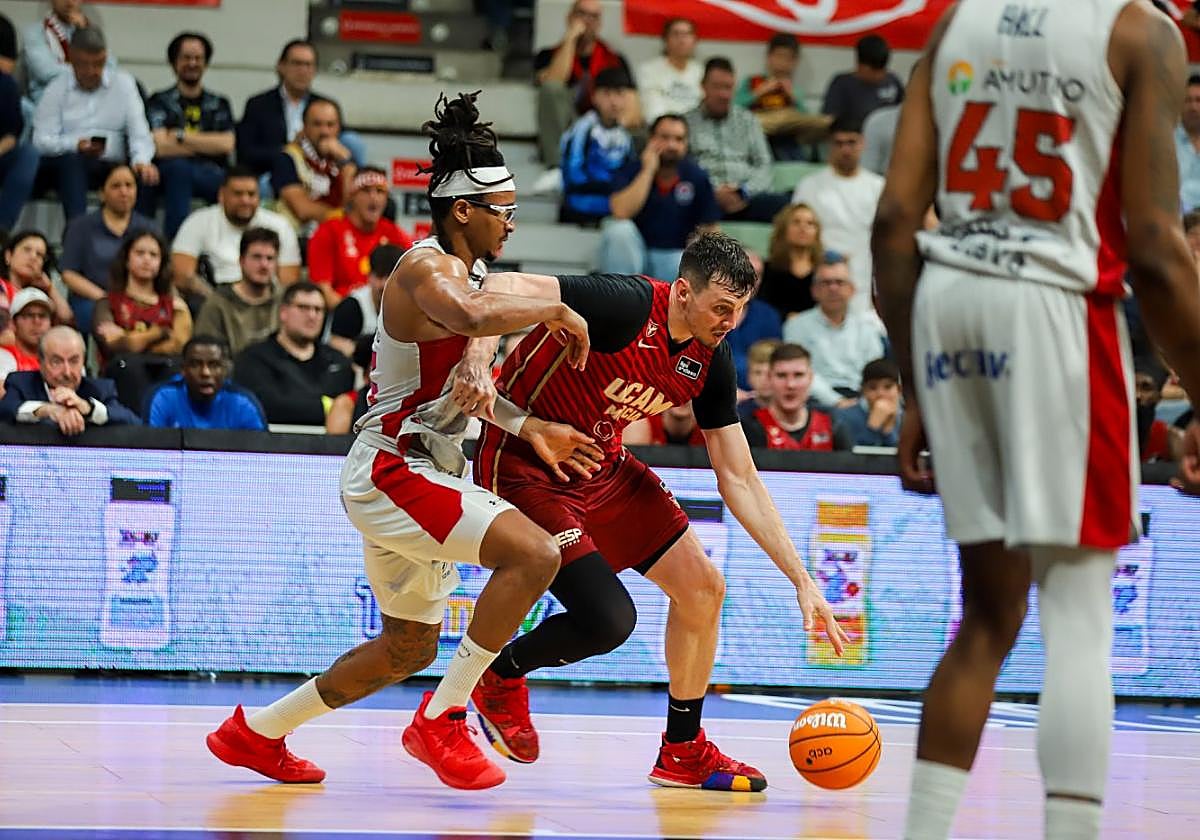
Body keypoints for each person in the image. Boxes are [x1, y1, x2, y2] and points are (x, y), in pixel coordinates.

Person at [206, 91, 602, 791]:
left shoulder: (470, 272)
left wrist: (527, 423)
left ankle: (255, 734)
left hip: (416, 472)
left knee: (407, 645)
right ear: (462, 212)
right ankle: (444, 717)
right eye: (502, 209)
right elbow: (475, 311)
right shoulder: (424, 268)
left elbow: (460, 378)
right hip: (394, 472)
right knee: (535, 555)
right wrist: (556, 306)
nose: (511, 221)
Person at [870, 3, 1200, 839]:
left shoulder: (955, 24)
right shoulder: (1140, 31)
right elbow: (1157, 246)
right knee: (1079, 611)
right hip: (1054, 303)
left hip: (949, 300)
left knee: (988, 613)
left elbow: (893, 224)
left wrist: (915, 389)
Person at [466, 232, 848, 791]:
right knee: (609, 621)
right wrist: (480, 357)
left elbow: (738, 475)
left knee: (703, 588)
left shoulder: (710, 357)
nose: (731, 322)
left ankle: (682, 750)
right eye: (722, 307)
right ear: (684, 293)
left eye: (741, 309)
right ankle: (498, 676)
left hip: (603, 465)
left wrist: (801, 579)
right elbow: (500, 285)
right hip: (527, 462)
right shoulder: (625, 304)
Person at [32, 27, 157, 222]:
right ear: (70, 60)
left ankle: (140, 241)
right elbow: (41, 140)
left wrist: (142, 161)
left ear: (106, 57)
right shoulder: (56, 89)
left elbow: (139, 133)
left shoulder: (123, 84)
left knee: (146, 174)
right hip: (70, 164)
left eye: (98, 64)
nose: (92, 71)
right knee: (72, 163)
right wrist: (74, 144)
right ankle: (76, 234)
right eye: (84, 64)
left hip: (113, 163)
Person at [598, 113, 720, 279]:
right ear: (651, 138)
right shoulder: (631, 169)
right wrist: (648, 170)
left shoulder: (697, 176)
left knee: (689, 261)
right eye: (664, 137)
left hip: (673, 257)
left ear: (686, 144)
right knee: (618, 230)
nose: (671, 145)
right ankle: (621, 299)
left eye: (679, 139)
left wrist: (698, 245)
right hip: (634, 252)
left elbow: (710, 227)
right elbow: (621, 211)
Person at [139, 32, 235, 238]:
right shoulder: (159, 100)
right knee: (178, 169)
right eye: (186, 57)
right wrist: (206, 144)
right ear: (174, 63)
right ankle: (176, 243)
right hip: (170, 174)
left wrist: (179, 136)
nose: (192, 63)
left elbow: (226, 144)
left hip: (212, 174)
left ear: (206, 63)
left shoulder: (219, 103)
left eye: (198, 58)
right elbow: (160, 146)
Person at [237, 39, 366, 180]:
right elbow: (247, 152)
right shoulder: (259, 104)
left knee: (352, 141)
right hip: (274, 172)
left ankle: (363, 184)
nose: (303, 71)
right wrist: (291, 150)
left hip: (320, 169)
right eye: (297, 64)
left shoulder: (326, 105)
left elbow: (337, 142)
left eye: (308, 65)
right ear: (281, 66)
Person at [791, 117, 885, 311]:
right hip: (820, 274)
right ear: (829, 145)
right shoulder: (810, 186)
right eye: (839, 143)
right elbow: (798, 234)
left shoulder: (878, 187)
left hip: (866, 274)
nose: (845, 149)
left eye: (851, 142)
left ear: (862, 144)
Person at [92, 230, 191, 411]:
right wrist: (159, 332)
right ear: (127, 259)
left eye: (153, 255)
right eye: (140, 253)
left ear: (161, 263)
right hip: (122, 376)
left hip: (165, 371)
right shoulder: (107, 304)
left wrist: (130, 337)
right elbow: (114, 346)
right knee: (128, 367)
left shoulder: (176, 306)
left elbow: (178, 347)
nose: (147, 259)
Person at [231, 282, 352, 426]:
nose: (312, 315)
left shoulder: (338, 361)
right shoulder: (254, 359)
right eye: (303, 308)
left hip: (330, 445)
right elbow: (266, 406)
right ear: (283, 312)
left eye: (318, 310)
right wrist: (325, 407)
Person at [533, 0, 635, 169]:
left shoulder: (614, 58)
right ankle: (558, 167)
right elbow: (554, 82)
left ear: (600, 23)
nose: (587, 20)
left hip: (603, 125)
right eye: (582, 14)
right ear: (570, 17)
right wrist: (571, 38)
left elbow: (633, 106)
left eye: (594, 16)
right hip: (566, 125)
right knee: (551, 89)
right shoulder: (547, 55)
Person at [171, 165, 301, 296]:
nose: (245, 200)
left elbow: (288, 282)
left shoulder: (280, 226)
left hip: (266, 300)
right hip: (214, 296)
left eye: (251, 194)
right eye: (238, 194)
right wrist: (215, 302)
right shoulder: (198, 221)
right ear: (221, 195)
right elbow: (182, 275)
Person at [686, 58, 789, 222]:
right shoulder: (687, 123)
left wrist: (744, 191)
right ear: (703, 87)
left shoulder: (748, 121)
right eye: (717, 87)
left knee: (785, 205)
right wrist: (712, 191)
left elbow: (764, 164)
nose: (723, 94)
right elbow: (684, 169)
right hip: (704, 198)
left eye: (728, 87)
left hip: (746, 197)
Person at [59, 164, 158, 332]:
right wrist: (106, 298)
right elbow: (68, 273)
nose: (124, 192)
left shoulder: (149, 228)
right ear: (102, 193)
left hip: (140, 298)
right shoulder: (81, 226)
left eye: (129, 185)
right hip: (93, 299)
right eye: (116, 186)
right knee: (98, 314)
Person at [781, 251, 887, 407]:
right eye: (826, 283)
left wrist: (861, 403)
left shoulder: (868, 328)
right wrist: (837, 402)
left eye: (839, 282)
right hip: (815, 402)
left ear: (852, 289)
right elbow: (797, 373)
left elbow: (875, 373)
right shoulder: (796, 326)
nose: (833, 288)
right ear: (814, 291)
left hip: (862, 401)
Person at [0, 325, 140, 433]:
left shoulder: (101, 389)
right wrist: (48, 410)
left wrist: (87, 409)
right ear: (40, 363)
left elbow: (132, 422)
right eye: (57, 362)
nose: (67, 372)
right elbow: (5, 409)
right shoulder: (21, 383)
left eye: (74, 361)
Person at [306, 166, 411, 307]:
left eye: (380, 191)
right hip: (342, 315)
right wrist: (353, 314)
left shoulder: (396, 235)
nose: (373, 197)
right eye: (366, 191)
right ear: (352, 196)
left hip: (385, 317)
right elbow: (323, 290)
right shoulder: (329, 231)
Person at [558, 67, 637, 226]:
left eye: (620, 94)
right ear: (595, 96)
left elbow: (629, 171)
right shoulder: (582, 128)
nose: (614, 101)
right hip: (581, 203)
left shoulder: (625, 135)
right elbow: (574, 174)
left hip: (613, 204)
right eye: (607, 94)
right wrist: (612, 188)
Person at [739, 342, 852, 450]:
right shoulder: (747, 427)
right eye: (781, 375)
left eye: (798, 375)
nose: (790, 385)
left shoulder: (832, 423)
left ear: (810, 378)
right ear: (769, 378)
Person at [143, 335, 266, 430]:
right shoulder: (163, 398)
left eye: (214, 365)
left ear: (224, 370)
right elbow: (148, 453)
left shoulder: (243, 404)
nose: (205, 373)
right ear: (183, 369)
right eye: (196, 364)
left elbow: (263, 455)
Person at [272, 99, 355, 237]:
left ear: (339, 128)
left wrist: (346, 163)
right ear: (304, 127)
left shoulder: (344, 160)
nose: (324, 131)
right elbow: (303, 210)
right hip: (299, 237)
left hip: (339, 237)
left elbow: (355, 206)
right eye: (317, 124)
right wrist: (342, 217)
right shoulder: (287, 158)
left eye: (330, 125)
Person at [193, 227, 282, 356]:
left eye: (270, 258)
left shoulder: (286, 301)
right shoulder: (217, 304)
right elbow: (204, 356)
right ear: (241, 261)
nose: (264, 265)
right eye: (257, 257)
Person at [328, 242, 403, 360]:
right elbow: (336, 347)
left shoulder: (408, 307)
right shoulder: (351, 306)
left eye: (389, 277)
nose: (383, 284)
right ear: (369, 276)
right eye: (379, 276)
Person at [821, 34, 904, 128]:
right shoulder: (841, 84)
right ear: (860, 65)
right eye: (874, 71)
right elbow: (829, 119)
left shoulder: (893, 81)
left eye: (883, 69)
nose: (880, 75)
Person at [758, 203, 822, 319]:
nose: (803, 228)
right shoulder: (767, 269)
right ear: (783, 229)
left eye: (810, 223)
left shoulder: (824, 270)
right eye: (796, 222)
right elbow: (762, 307)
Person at [636, 18, 702, 124]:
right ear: (665, 39)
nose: (682, 40)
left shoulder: (702, 72)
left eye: (687, 34)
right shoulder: (649, 70)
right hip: (663, 130)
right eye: (676, 34)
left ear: (695, 40)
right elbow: (652, 111)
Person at [833, 357, 902, 448]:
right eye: (873, 388)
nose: (880, 394)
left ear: (899, 390)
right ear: (863, 391)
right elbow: (852, 456)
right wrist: (872, 428)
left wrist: (887, 430)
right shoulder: (844, 416)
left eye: (888, 387)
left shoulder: (906, 418)